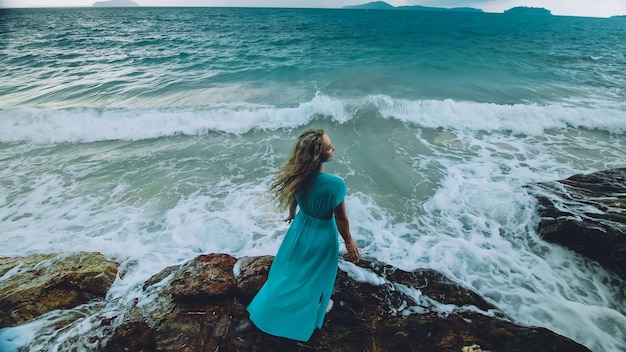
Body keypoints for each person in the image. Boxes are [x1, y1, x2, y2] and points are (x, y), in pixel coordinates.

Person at [247, 129, 360, 342]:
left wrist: (291, 215)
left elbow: (294, 198)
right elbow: (341, 219)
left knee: (293, 269)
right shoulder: (335, 184)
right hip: (322, 234)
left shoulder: (298, 176)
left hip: (300, 227)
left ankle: (273, 305)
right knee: (319, 273)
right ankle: (317, 304)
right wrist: (349, 241)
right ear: (319, 155)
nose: (333, 148)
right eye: (329, 146)